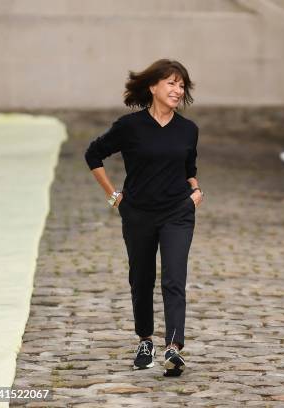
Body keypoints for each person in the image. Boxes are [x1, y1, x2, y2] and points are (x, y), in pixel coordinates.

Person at [84, 59, 203, 377]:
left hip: (177, 212)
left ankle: (174, 349)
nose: (178, 90)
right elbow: (93, 154)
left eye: (182, 85)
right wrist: (114, 197)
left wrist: (195, 192)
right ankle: (145, 341)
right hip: (137, 213)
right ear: (153, 86)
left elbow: (188, 168)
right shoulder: (130, 126)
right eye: (172, 83)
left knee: (174, 279)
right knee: (141, 278)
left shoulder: (188, 130)